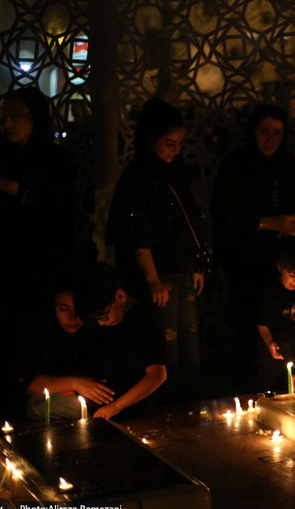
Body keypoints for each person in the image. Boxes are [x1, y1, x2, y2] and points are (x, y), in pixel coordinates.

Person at [0, 87, 77, 427]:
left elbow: (55, 208)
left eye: (16, 117)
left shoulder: (53, 159)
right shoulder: (1, 155)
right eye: (4, 117)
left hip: (39, 267)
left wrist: (7, 186)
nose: (8, 125)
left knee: (32, 336)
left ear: (36, 118)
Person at [212, 104, 295, 391]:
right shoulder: (237, 165)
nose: (270, 139)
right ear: (253, 131)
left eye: (276, 133)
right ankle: (246, 392)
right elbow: (224, 214)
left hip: (283, 261)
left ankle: (283, 386)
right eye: (264, 131)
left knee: (285, 324)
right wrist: (267, 223)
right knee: (249, 324)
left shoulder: (289, 165)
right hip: (245, 260)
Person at [105, 97, 205, 403]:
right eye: (169, 144)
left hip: (181, 269)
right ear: (150, 139)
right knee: (165, 346)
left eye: (179, 144)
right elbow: (137, 235)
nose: (176, 151)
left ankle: (189, 405)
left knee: (187, 341)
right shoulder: (138, 177)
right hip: (158, 275)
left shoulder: (176, 172)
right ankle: (166, 408)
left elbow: (188, 222)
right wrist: (152, 279)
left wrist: (196, 265)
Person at [74, 262, 166, 421]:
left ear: (120, 296)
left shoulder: (144, 321)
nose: (101, 323)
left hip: (125, 406)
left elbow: (157, 376)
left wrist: (116, 407)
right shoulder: (111, 319)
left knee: (38, 406)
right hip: (104, 397)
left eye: (103, 317)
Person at [21, 278, 112, 420]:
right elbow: (28, 382)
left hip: (100, 400)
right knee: (37, 406)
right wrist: (74, 383)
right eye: (64, 309)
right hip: (61, 397)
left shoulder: (98, 327)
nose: (72, 318)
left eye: (79, 310)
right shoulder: (38, 332)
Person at [255, 237, 295, 392]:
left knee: (291, 388)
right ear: (280, 267)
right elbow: (262, 322)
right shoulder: (271, 291)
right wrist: (269, 342)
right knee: (267, 388)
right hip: (272, 347)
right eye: (292, 275)